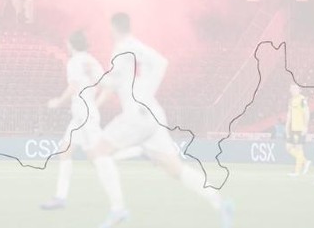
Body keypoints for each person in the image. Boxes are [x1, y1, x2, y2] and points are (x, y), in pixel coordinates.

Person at [87, 12, 233, 228]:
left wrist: (141, 91)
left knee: (98, 152)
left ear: (114, 27)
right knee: (175, 169)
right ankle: (220, 202)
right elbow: (116, 82)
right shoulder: (128, 48)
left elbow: (160, 62)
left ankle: (118, 209)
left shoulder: (125, 47)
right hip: (152, 115)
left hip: (137, 115)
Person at [40, 30, 105, 210]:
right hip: (82, 113)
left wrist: (58, 102)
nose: (66, 45)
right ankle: (60, 197)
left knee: (97, 156)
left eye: (68, 42)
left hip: (83, 114)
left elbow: (73, 87)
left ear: (72, 44)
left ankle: (135, 151)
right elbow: (102, 84)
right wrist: (93, 100)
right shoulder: (92, 61)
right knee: (65, 151)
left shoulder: (74, 62)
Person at [285, 84, 311, 176]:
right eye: (292, 88)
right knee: (288, 147)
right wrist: (287, 126)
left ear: (299, 90)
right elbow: (289, 115)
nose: (293, 90)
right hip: (292, 127)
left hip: (300, 127)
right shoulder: (291, 100)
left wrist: (305, 126)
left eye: (295, 88)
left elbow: (306, 113)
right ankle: (305, 161)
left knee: (299, 148)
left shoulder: (302, 99)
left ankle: (297, 171)